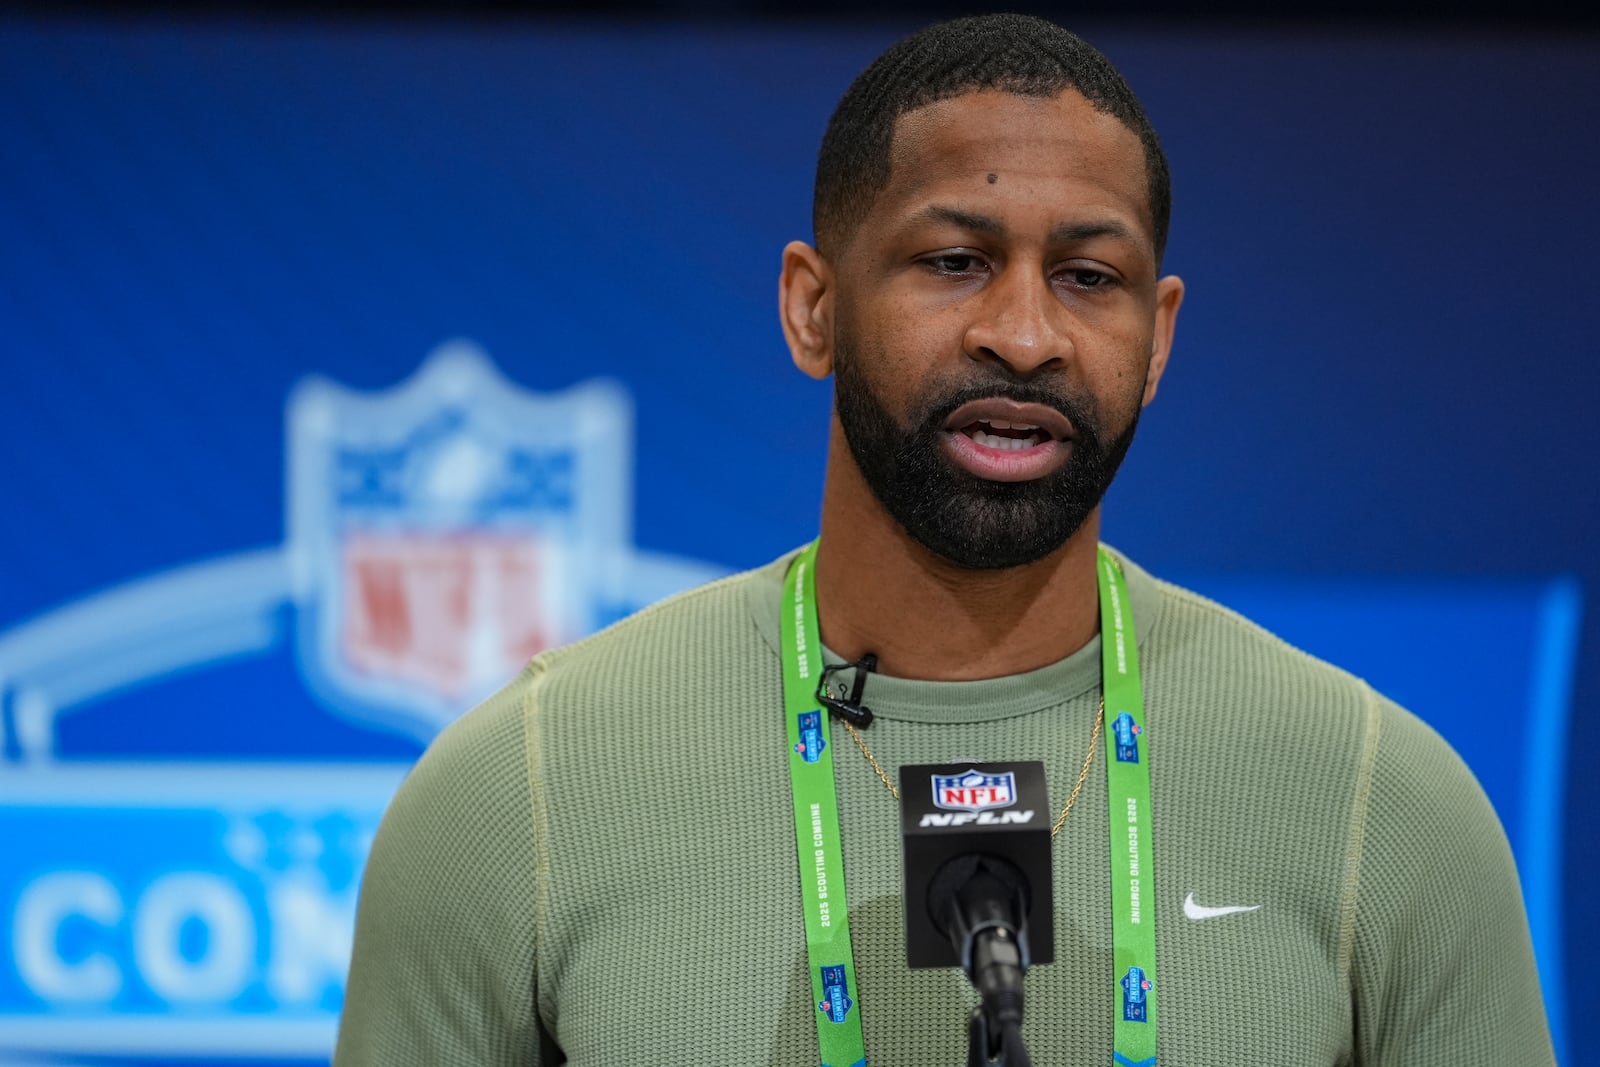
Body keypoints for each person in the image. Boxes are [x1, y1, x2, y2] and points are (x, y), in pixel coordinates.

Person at [334, 14, 1554, 1066]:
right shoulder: (524, 789)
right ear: (813, 306)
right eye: (955, 260)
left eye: (1088, 276)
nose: (1023, 334)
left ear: (1161, 335)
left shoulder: (1376, 803)